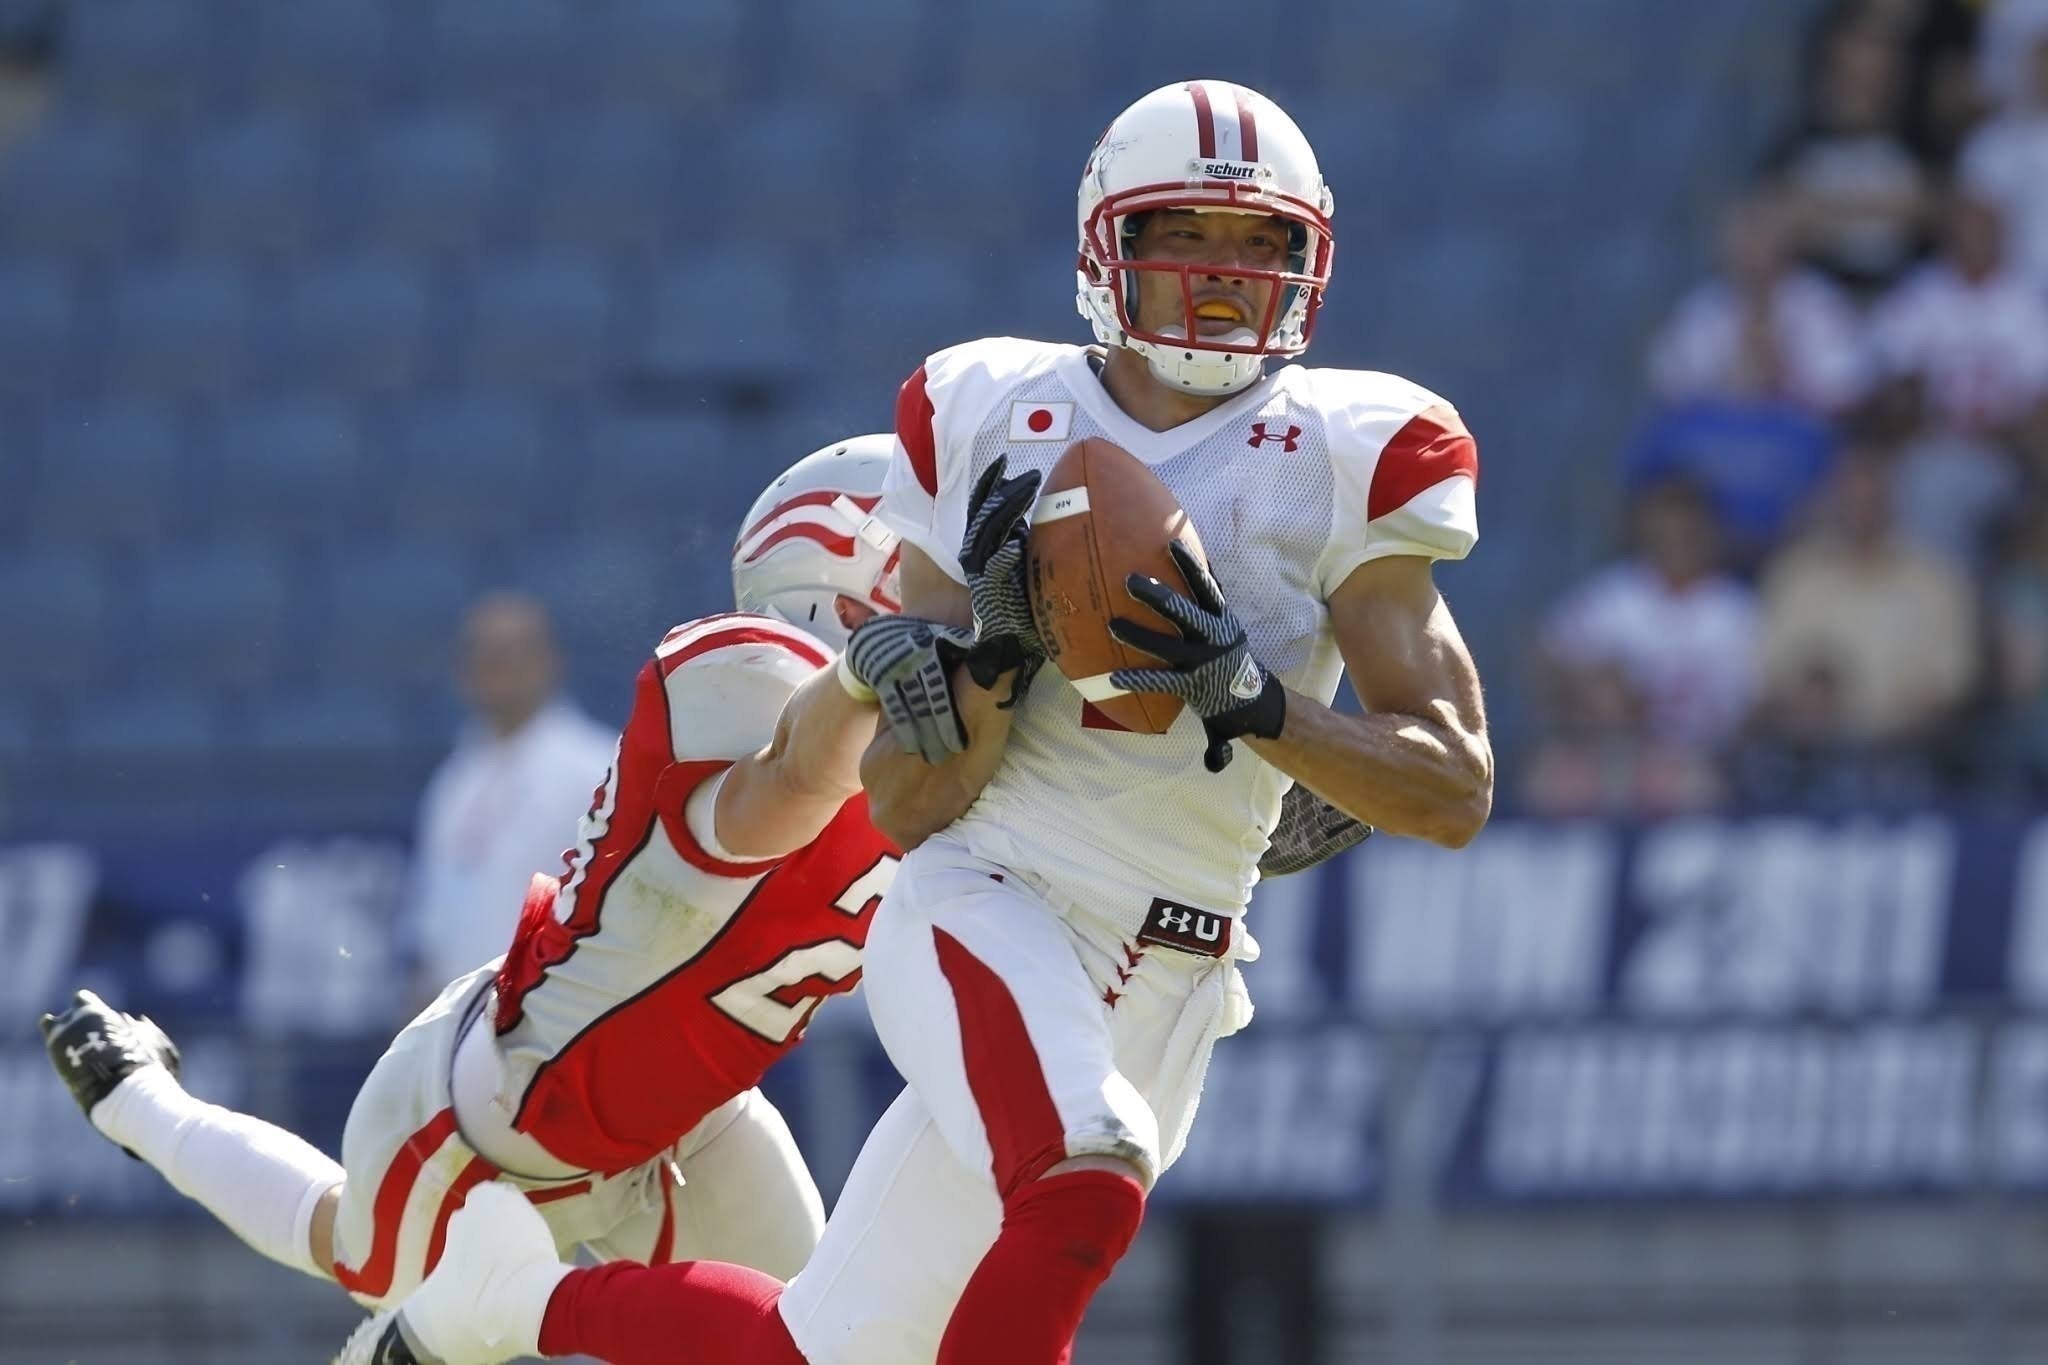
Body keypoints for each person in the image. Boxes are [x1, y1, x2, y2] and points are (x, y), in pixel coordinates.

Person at [352, 78, 1490, 1365]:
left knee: (830, 1348)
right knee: (1082, 1175)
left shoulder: (1348, 449)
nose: (1224, 273)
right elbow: (906, 804)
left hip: (1181, 957)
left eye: (1258, 240)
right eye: (1183, 232)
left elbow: (1451, 789)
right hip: (994, 899)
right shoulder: (994, 410)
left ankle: (500, 1302)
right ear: (1107, 244)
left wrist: (1254, 705)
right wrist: (994, 650)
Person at [39, 438, 989, 1316]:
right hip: (509, 1113)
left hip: (693, 1116)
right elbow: (789, 782)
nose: (960, 594)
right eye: (929, 560)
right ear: (846, 586)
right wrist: (865, 681)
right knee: (361, 1258)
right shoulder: (746, 681)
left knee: (825, 1338)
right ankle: (139, 1101)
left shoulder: (917, 753)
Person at [406, 591, 616, 996]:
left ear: (550, 660)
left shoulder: (595, 768)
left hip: (554, 1010)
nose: (495, 666)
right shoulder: (456, 779)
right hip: (462, 1013)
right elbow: (435, 924)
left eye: (511, 651)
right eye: (482, 653)